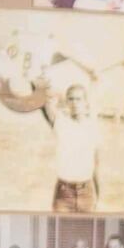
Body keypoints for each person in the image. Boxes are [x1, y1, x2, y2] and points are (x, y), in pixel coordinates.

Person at [40, 84, 101, 212]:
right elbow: (43, 103)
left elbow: (96, 163)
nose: (74, 103)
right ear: (67, 102)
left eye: (78, 99)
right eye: (71, 99)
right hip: (64, 193)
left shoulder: (92, 126)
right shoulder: (61, 124)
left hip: (87, 192)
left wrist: (98, 193)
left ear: (85, 102)